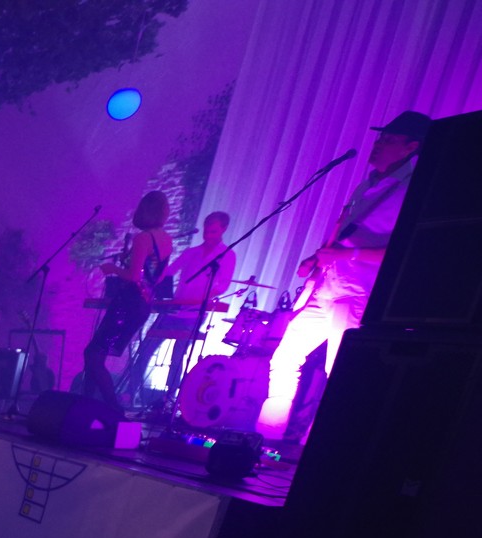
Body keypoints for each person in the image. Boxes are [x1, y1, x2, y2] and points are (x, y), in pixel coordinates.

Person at [258, 111, 429, 444]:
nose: (377, 144)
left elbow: (404, 250)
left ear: (411, 147)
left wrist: (346, 256)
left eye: (388, 140)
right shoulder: (367, 184)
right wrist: (318, 256)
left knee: (338, 369)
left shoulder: (412, 188)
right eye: (380, 138)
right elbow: (346, 235)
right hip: (327, 284)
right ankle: (267, 436)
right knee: (285, 357)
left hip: (358, 289)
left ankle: (318, 445)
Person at [81, 191, 172, 409]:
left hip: (128, 302)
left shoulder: (143, 238)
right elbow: (156, 276)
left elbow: (133, 276)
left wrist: (111, 269)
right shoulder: (166, 240)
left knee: (93, 355)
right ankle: (86, 406)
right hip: (143, 303)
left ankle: (112, 410)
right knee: (96, 356)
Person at [148, 210, 236, 392]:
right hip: (174, 308)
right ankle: (129, 392)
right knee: (146, 348)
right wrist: (155, 275)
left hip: (194, 313)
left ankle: (168, 397)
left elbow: (223, 285)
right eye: (206, 231)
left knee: (178, 356)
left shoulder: (227, 255)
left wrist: (201, 298)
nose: (208, 235)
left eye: (213, 231)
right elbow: (169, 271)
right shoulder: (191, 252)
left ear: (224, 229)